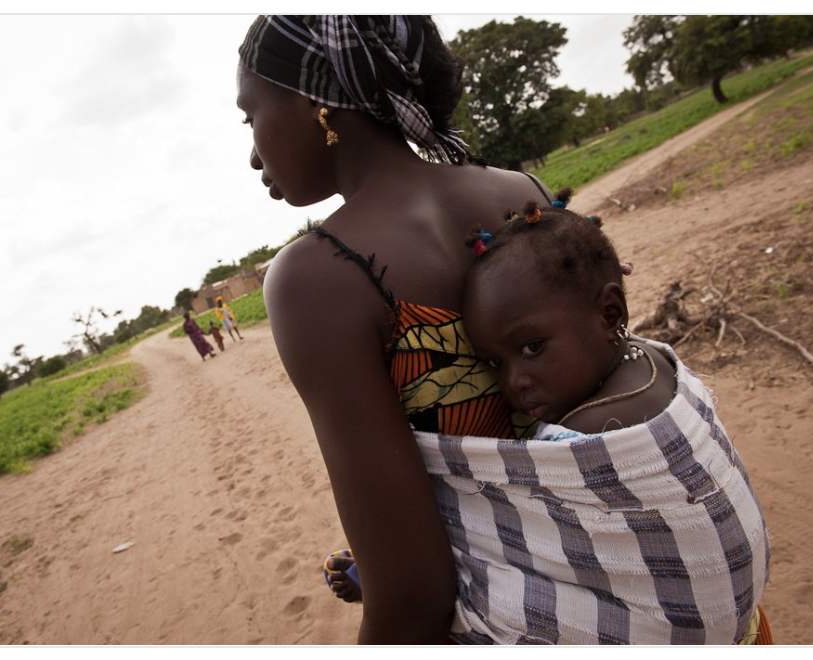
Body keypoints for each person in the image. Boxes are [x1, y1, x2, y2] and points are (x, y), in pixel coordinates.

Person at [238, 15, 560, 643]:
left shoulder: (316, 276)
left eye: (249, 117)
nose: (253, 154)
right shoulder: (522, 190)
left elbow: (413, 596)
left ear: (316, 104)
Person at [424, 190, 768, 643]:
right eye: (495, 363)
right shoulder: (653, 362)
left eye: (532, 348)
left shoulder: (576, 438)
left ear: (610, 313)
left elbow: (495, 539)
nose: (514, 381)